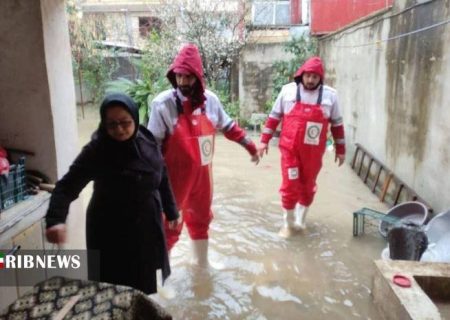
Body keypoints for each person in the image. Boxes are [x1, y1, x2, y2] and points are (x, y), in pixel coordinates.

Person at [45, 93, 180, 294]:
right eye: (112, 124)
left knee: (142, 283)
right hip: (109, 230)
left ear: (134, 117)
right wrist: (56, 219)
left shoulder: (146, 138)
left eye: (125, 122)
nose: (119, 129)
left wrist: (171, 210)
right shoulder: (97, 151)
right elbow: (66, 186)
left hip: (144, 226)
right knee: (112, 289)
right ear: (104, 123)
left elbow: (162, 174)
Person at [147, 43, 259, 267]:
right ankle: (163, 278)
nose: (182, 82)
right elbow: (152, 148)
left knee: (201, 221)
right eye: (178, 76)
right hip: (173, 182)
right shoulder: (162, 104)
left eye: (188, 77)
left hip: (202, 180)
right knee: (169, 226)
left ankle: (202, 266)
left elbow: (228, 127)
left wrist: (250, 145)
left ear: (198, 76)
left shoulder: (212, 102)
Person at [258, 56, 345, 237]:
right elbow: (274, 117)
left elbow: (337, 124)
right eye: (308, 76)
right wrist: (263, 141)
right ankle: (288, 224)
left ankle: (301, 220)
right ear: (301, 75)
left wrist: (341, 150)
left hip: (313, 153)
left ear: (320, 78)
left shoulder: (330, 96)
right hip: (290, 150)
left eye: (315, 77)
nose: (311, 80)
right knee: (290, 184)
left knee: (308, 186)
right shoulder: (287, 91)